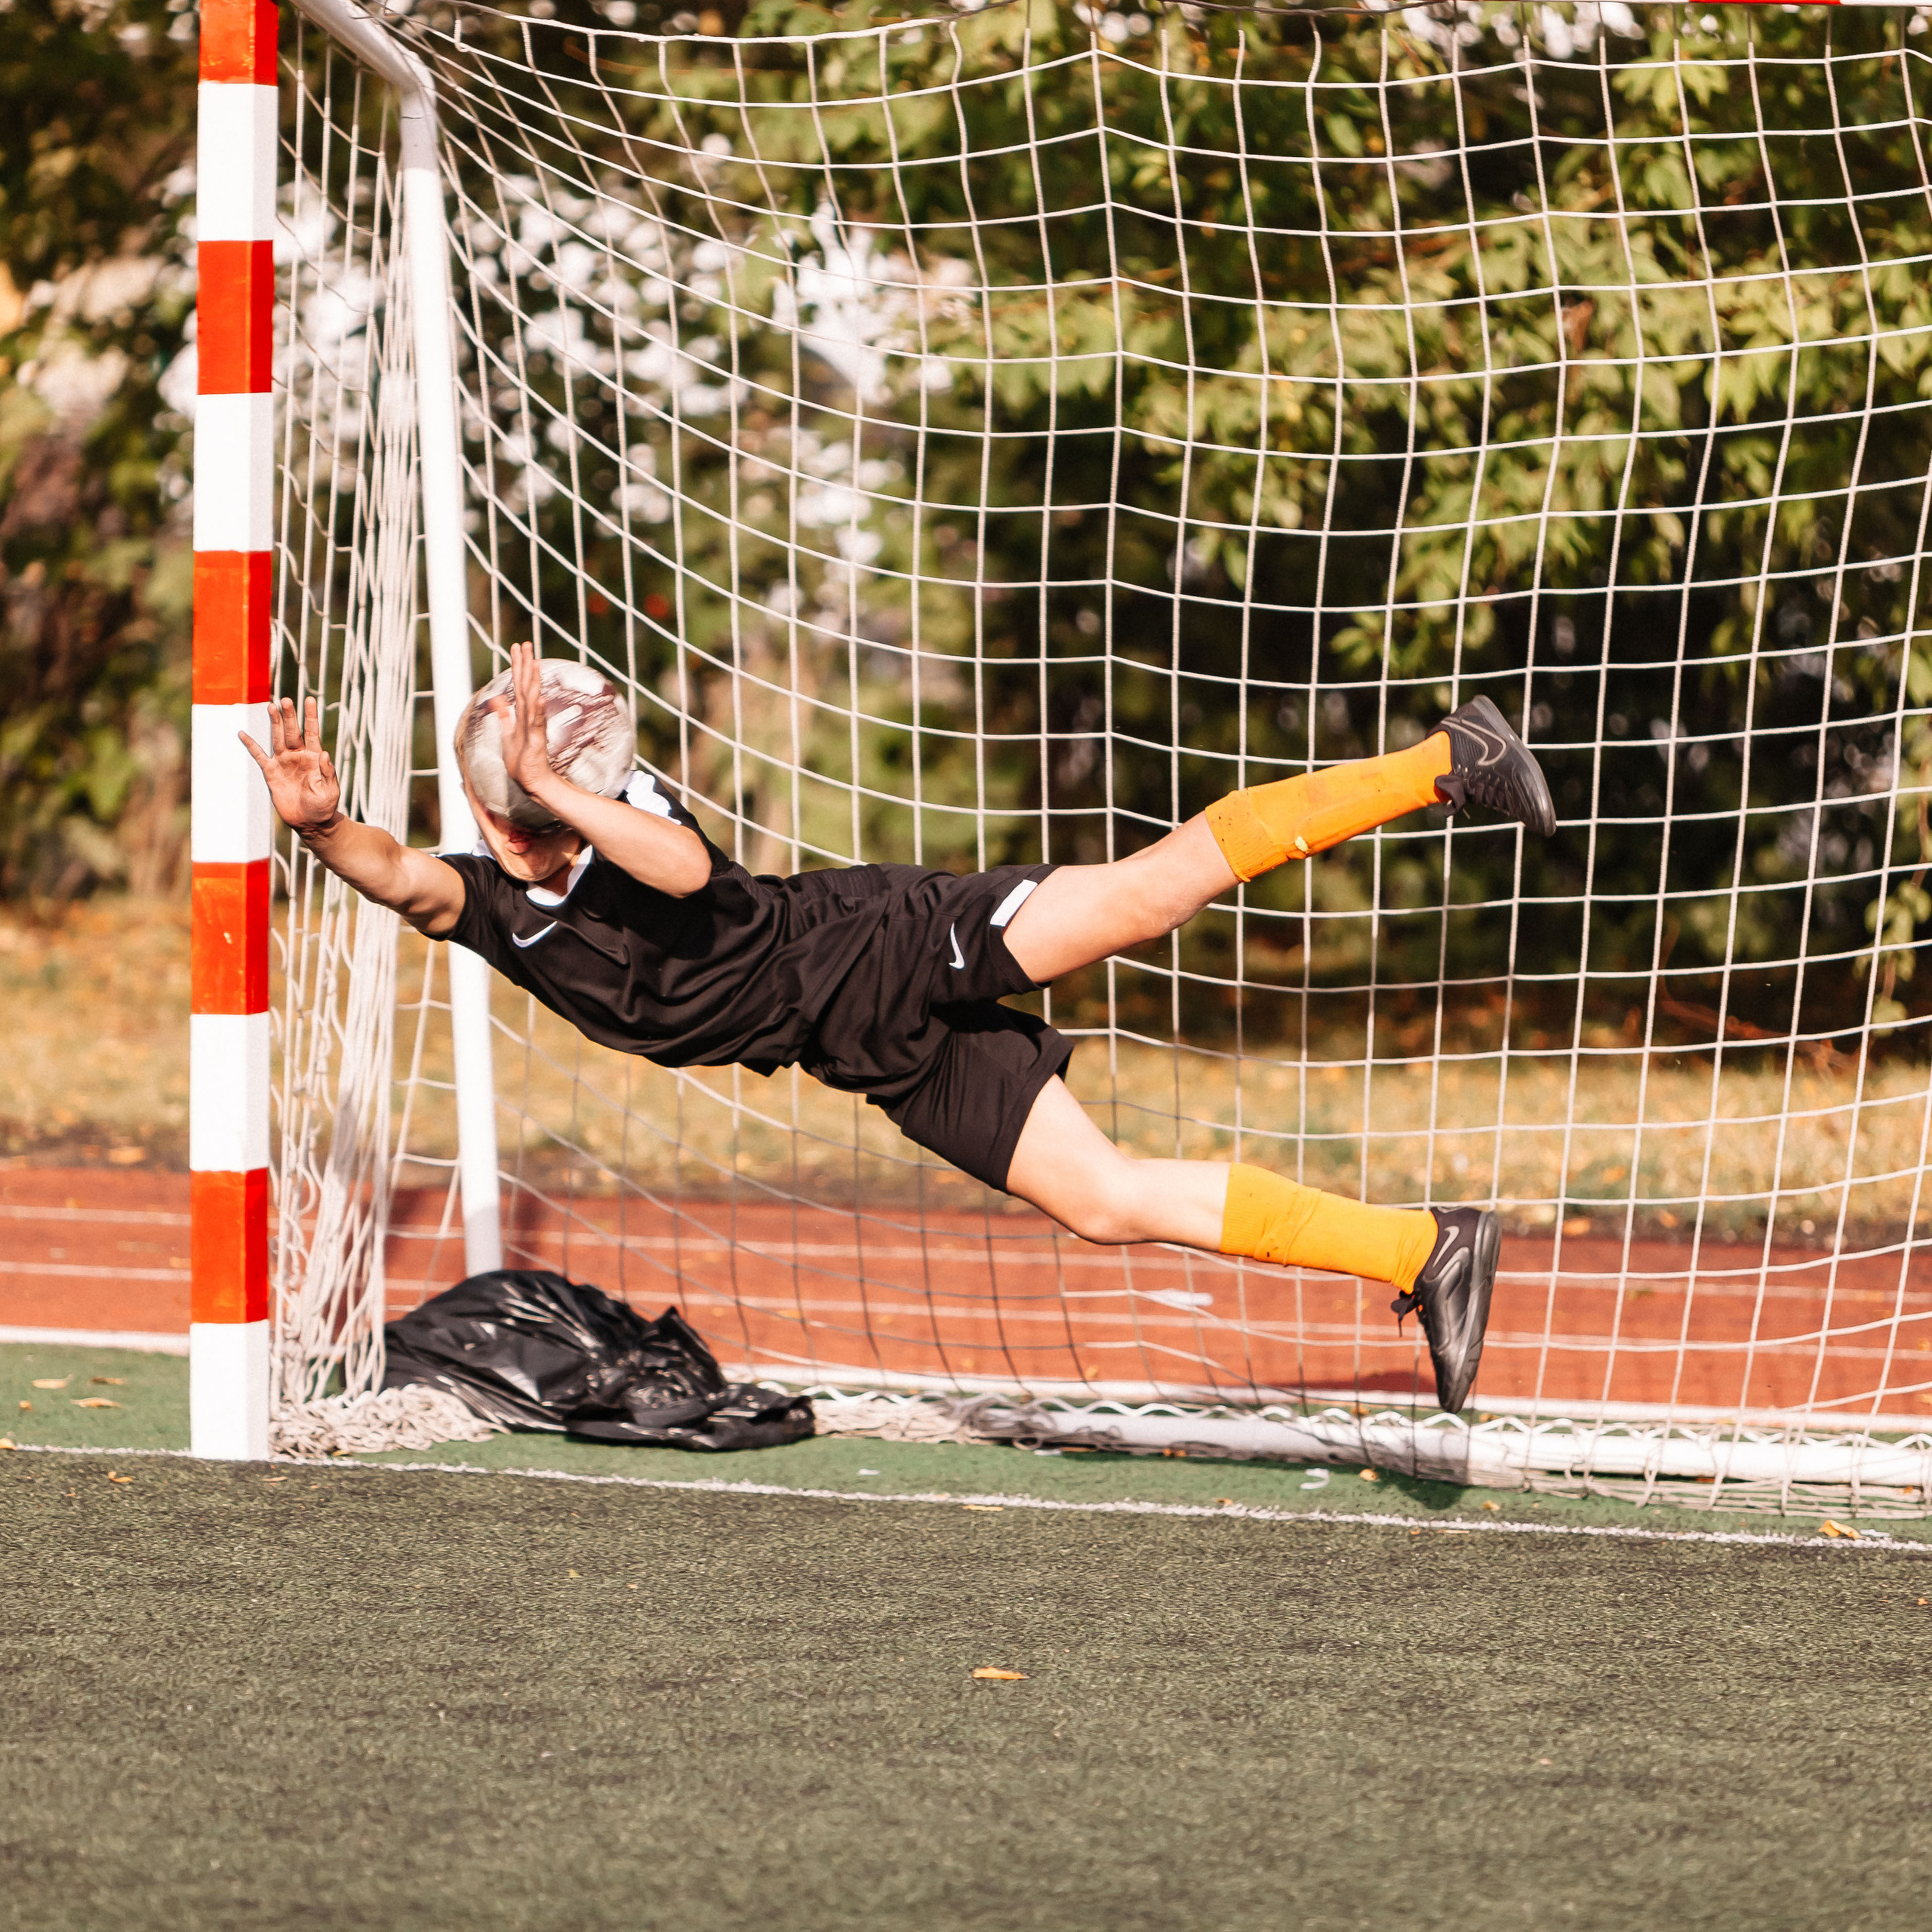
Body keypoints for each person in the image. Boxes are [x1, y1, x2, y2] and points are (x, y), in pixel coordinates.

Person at [242, 643, 1555, 1414]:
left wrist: (556, 790)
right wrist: (320, 830)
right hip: (868, 1047)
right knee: (1098, 1200)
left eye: (533, 816)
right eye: (511, 821)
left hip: (878, 938)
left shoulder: (641, 841)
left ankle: (1450, 760)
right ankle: (1424, 1248)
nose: (506, 844)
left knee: (1147, 899)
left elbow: (690, 877)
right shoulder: (486, 903)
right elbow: (402, 877)